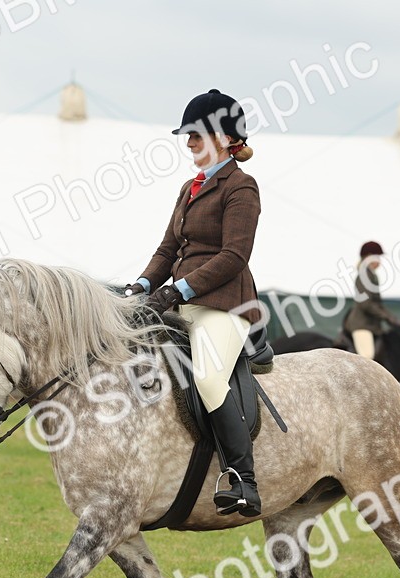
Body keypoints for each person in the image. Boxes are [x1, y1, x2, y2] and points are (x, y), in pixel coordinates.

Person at [123, 89, 263, 517]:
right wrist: (143, 285)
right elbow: (168, 249)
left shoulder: (242, 187)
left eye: (196, 135)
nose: (188, 143)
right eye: (187, 136)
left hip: (225, 306)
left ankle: (243, 479)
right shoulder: (190, 187)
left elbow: (234, 256)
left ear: (222, 137)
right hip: (179, 302)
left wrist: (179, 290)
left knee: (206, 378)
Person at [342, 240, 400, 359]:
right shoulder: (364, 275)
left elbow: (377, 303)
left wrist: (392, 318)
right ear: (368, 257)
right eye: (377, 257)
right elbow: (365, 304)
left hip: (372, 326)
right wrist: (388, 317)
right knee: (367, 358)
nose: (380, 261)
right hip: (362, 325)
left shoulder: (371, 274)